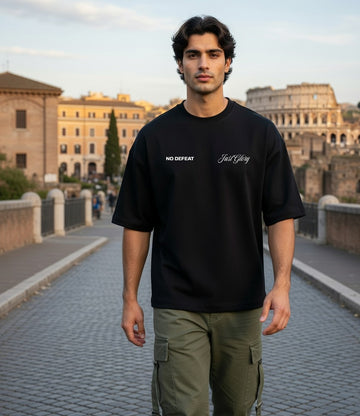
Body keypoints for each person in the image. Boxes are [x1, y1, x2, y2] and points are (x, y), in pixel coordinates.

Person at [112, 15, 305, 416]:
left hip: (243, 303)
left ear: (228, 62)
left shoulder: (260, 134)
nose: (203, 63)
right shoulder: (154, 137)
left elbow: (281, 215)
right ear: (180, 64)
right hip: (176, 302)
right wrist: (130, 297)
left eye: (213, 54)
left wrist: (282, 284)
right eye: (193, 54)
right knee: (185, 410)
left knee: (237, 409)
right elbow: (136, 223)